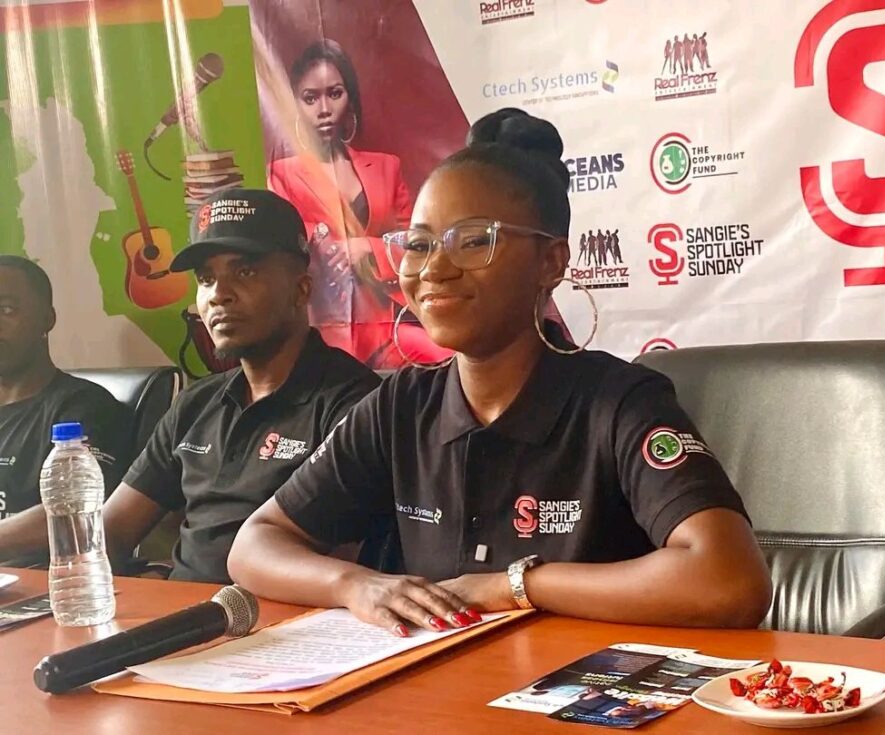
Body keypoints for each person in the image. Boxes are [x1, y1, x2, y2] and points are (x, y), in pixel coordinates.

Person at [228, 109, 772, 636]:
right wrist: (355, 584)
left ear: (550, 262)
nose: (435, 268)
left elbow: (730, 580)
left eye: (473, 241)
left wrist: (515, 586)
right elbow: (255, 545)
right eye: (418, 244)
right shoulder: (400, 406)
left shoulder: (620, 402)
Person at [4, 190, 381, 583]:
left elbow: (348, 560)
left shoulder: (356, 403)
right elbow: (110, 533)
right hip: (181, 610)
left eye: (245, 272)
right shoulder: (197, 402)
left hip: (286, 616)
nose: (219, 294)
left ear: (301, 290)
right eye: (206, 279)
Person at [267, 39, 450, 369]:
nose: (324, 109)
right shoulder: (280, 175)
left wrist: (367, 247)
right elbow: (280, 245)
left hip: (386, 320)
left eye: (335, 93)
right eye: (310, 98)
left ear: (350, 98)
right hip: (320, 323)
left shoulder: (385, 167)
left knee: (448, 362)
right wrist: (320, 237)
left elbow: (417, 244)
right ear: (295, 104)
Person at [0, 256, 132, 563]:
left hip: (45, 581)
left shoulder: (86, 408)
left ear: (47, 319)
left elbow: (78, 507)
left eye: (6, 310)